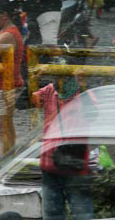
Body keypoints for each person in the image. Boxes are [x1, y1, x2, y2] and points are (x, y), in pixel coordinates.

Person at [31, 61, 93, 220]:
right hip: (49, 165)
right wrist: (33, 80)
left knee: (82, 214)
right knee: (52, 215)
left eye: (62, 76)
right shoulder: (49, 91)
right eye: (56, 76)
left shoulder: (84, 96)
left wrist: (81, 86)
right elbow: (23, 103)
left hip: (75, 166)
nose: (57, 80)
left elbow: (94, 115)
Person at [0, 0, 25, 153]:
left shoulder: (7, 35)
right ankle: (11, 153)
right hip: (10, 82)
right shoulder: (10, 31)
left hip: (6, 84)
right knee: (6, 122)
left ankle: (7, 158)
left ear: (4, 15)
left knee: (1, 124)